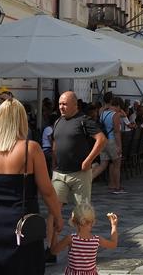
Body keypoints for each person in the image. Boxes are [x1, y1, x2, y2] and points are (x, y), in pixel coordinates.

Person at [0, 98, 63, 273]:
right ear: (22, 120)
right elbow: (47, 191)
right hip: (22, 224)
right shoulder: (31, 149)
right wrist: (57, 216)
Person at [47, 91, 106, 264]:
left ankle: (84, 249)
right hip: (59, 173)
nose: (61, 107)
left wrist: (89, 160)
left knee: (82, 212)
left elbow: (101, 140)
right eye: (59, 104)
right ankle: (51, 250)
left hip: (79, 174)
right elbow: (55, 143)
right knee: (53, 211)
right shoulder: (58, 121)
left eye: (64, 104)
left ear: (75, 104)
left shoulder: (84, 120)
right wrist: (54, 163)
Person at [51, 205, 118, 274]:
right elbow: (113, 244)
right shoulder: (97, 240)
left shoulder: (71, 239)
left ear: (74, 221)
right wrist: (114, 226)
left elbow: (53, 251)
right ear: (92, 222)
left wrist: (55, 232)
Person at [91, 96, 124, 195]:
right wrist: (119, 146)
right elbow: (117, 132)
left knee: (103, 164)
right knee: (117, 164)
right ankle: (117, 186)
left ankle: (89, 180)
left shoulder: (102, 113)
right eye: (120, 107)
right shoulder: (115, 115)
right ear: (118, 105)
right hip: (112, 141)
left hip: (103, 141)